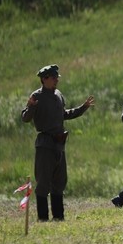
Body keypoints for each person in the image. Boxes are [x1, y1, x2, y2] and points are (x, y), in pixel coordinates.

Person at [21, 65, 95, 221]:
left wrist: (83, 108)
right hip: (45, 144)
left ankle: (59, 216)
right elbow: (25, 118)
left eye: (57, 78)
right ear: (44, 79)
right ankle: (42, 218)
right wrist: (31, 107)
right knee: (43, 182)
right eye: (53, 78)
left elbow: (64, 115)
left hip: (59, 144)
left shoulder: (59, 95)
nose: (56, 80)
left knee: (59, 181)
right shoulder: (37, 96)